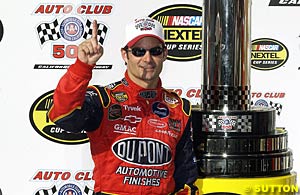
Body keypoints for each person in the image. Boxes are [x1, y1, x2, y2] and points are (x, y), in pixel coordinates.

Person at [48, 16, 199, 195]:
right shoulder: (104, 100)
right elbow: (64, 116)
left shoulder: (179, 109)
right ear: (124, 55)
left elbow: (186, 177)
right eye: (138, 51)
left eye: (155, 51)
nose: (147, 58)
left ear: (165, 54)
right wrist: (82, 67)